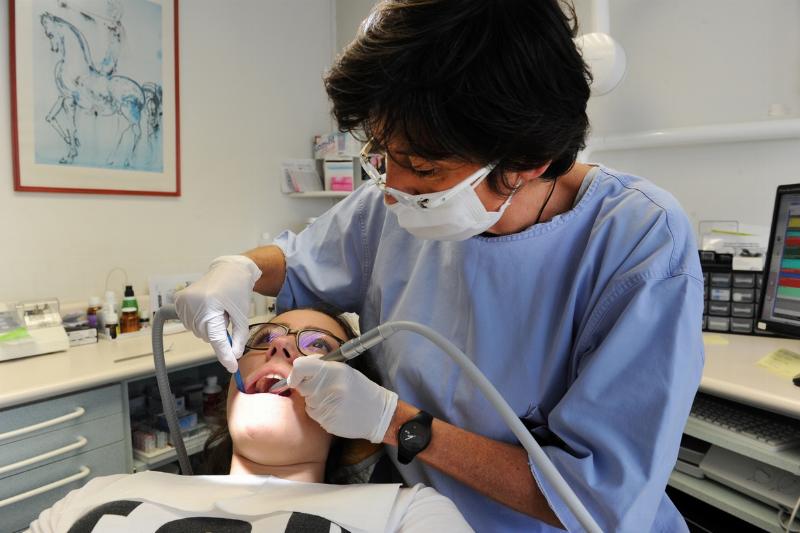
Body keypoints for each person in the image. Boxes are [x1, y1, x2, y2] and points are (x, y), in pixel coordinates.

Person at [175, 1, 704, 531]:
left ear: (526, 162)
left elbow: (600, 498)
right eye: (384, 157)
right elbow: (296, 264)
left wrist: (395, 423)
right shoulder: (392, 207)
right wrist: (238, 268)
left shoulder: (636, 241)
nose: (390, 192)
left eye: (424, 168)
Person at [30, 308, 472, 533]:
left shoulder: (405, 514)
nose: (280, 349)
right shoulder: (102, 491)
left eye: (316, 346)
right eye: (264, 340)